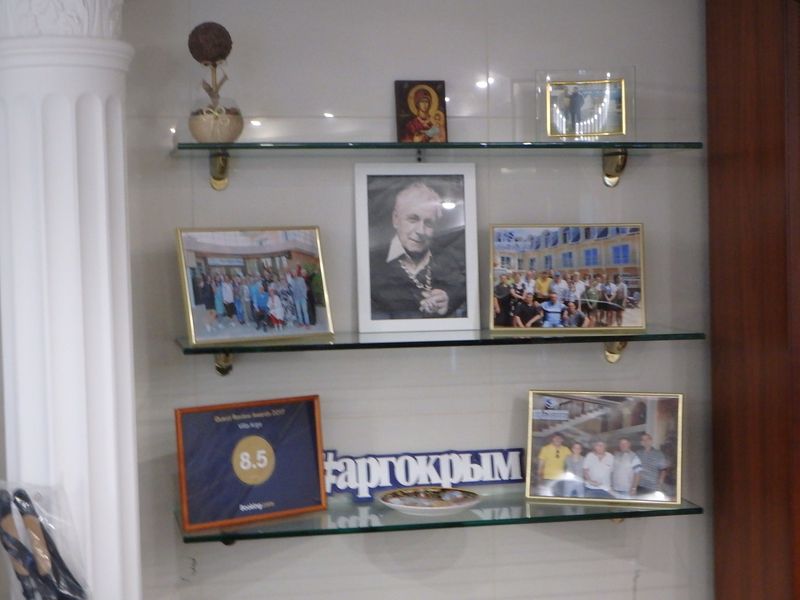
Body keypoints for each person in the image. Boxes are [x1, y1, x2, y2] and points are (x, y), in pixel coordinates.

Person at [369, 181, 466, 319]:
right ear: (396, 219)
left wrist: (448, 300)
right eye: (413, 219)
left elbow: (464, 289)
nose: (421, 231)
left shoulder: (452, 259)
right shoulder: (371, 265)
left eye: (428, 223)